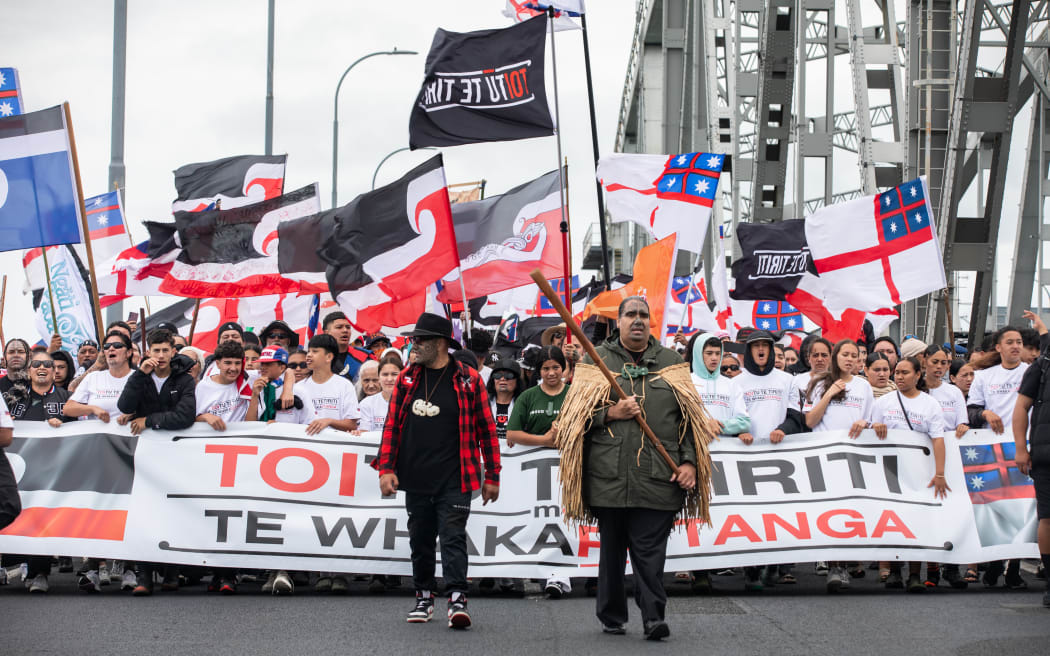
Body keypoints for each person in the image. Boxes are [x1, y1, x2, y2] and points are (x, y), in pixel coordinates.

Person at [554, 296, 710, 640]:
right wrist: (611, 413)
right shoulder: (598, 361)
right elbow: (570, 422)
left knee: (650, 553)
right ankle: (611, 614)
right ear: (619, 321)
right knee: (611, 550)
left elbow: (690, 423)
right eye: (631, 315)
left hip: (659, 476)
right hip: (608, 474)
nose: (637, 320)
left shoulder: (671, 362)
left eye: (643, 315)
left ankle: (654, 617)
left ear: (650, 322)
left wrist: (688, 463)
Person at [374, 312, 500, 629]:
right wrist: (385, 468)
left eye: (421, 339)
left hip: (456, 476)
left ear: (441, 343)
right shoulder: (406, 378)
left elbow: (487, 431)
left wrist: (493, 476)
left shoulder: (469, 379)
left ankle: (457, 598)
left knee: (453, 536)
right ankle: (424, 596)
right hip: (415, 476)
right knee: (421, 539)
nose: (415, 345)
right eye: (414, 339)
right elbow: (392, 427)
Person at [115, 329, 196, 595]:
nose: (160, 356)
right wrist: (140, 375)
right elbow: (125, 405)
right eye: (156, 350)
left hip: (175, 454)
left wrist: (149, 420)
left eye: (165, 350)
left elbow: (185, 416)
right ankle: (144, 575)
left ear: (174, 351)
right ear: (148, 351)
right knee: (144, 512)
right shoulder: (140, 376)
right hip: (145, 453)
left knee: (172, 511)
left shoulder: (184, 379)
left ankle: (171, 571)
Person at [871, 356, 951, 593]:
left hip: (918, 471)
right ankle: (895, 570)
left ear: (918, 375)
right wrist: (875, 427)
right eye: (898, 372)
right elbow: (871, 432)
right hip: (890, 472)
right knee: (894, 520)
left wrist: (939, 473)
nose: (900, 376)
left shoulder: (930, 405)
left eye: (905, 372)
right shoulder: (883, 403)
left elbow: (938, 439)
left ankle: (915, 574)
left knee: (916, 521)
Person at [801, 340, 874, 592]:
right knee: (830, 509)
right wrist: (830, 393)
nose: (850, 359)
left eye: (855, 356)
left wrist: (864, 423)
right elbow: (810, 419)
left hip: (852, 456)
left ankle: (844, 563)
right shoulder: (819, 383)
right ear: (836, 356)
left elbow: (870, 418)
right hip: (825, 455)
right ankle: (833, 564)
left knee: (849, 509)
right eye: (845, 354)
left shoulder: (864, 386)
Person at [506, 345, 572, 599]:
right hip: (533, 474)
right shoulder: (528, 397)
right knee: (539, 521)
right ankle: (542, 570)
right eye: (546, 368)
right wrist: (544, 441)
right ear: (539, 371)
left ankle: (560, 576)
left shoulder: (574, 395)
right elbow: (513, 433)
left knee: (564, 520)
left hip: (568, 471)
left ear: (564, 369)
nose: (552, 372)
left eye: (556, 367)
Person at [731, 329, 795, 591]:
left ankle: (774, 565)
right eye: (755, 345)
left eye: (765, 346)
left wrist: (784, 429)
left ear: (771, 350)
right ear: (748, 350)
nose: (760, 350)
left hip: (779, 453)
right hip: (746, 454)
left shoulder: (786, 380)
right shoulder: (737, 381)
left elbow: (795, 414)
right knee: (750, 514)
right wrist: (739, 431)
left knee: (778, 512)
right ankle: (751, 569)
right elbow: (731, 414)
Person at [687, 333, 750, 593]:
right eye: (708, 353)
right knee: (698, 512)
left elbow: (743, 420)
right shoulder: (688, 382)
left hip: (726, 458)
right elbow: (680, 416)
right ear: (698, 354)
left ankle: (722, 562)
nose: (714, 358)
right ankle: (699, 571)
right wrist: (702, 424)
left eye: (717, 353)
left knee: (723, 511)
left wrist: (717, 425)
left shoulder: (731, 385)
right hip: (694, 456)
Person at [923, 344, 970, 589]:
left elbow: (962, 422)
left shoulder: (953, 393)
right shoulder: (917, 390)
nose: (940, 367)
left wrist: (964, 427)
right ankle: (930, 568)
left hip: (949, 460)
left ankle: (952, 567)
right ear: (925, 361)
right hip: (921, 460)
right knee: (928, 513)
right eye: (936, 362)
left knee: (951, 512)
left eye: (944, 363)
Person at [1011, 340, 1050, 609]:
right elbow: (1021, 408)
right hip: (1045, 454)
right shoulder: (1042, 365)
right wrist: (1020, 448)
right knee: (1047, 517)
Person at [301, 334, 359, 435]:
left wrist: (329, 421)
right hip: (304, 446)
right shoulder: (298, 387)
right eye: (308, 351)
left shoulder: (345, 385)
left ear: (329, 357)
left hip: (334, 446)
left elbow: (352, 425)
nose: (309, 355)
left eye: (315, 351)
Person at [247, 347, 316, 426]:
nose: (263, 367)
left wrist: (280, 428)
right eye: (262, 363)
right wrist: (254, 395)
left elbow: (310, 423)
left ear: (282, 367)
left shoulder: (298, 391)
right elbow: (249, 424)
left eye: (268, 364)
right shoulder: (256, 385)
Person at [358, 354, 403, 432]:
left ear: (402, 375)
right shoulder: (366, 403)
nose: (389, 379)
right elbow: (364, 433)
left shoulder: (410, 402)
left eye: (394, 374)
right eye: (385, 374)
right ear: (379, 377)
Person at [324, 311, 374, 381]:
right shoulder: (317, 359)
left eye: (348, 327)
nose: (345, 330)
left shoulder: (365, 356)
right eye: (339, 327)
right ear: (327, 333)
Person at [486, 358, 523, 442]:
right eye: (497, 375)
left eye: (508, 375)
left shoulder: (525, 405)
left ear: (517, 381)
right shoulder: (483, 403)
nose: (502, 379)